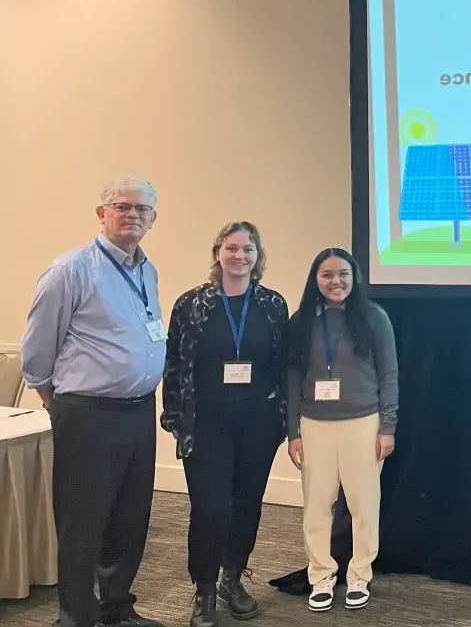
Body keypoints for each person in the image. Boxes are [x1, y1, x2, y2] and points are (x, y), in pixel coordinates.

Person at [20, 177, 166, 627]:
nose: (133, 215)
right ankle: (75, 617)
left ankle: (116, 609)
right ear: (101, 214)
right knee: (83, 524)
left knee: (129, 519)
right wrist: (56, 399)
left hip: (140, 410)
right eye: (122, 207)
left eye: (142, 210)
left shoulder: (147, 269)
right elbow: (38, 348)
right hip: (88, 414)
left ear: (153, 219)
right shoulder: (71, 269)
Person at [161, 222, 290, 627]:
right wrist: (175, 417)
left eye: (248, 249)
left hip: (258, 421)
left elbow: (283, 364)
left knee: (246, 504)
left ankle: (232, 578)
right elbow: (175, 364)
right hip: (206, 422)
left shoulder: (272, 304)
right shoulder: (192, 303)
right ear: (218, 252)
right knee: (210, 508)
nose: (240, 256)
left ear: (258, 255)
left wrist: (283, 417)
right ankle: (203, 589)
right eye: (232, 248)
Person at [285, 248, 398, 613]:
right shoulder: (301, 321)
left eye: (343, 274)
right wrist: (293, 432)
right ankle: (321, 574)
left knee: (364, 505)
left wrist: (387, 426)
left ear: (355, 277)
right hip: (314, 425)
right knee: (317, 505)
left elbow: (389, 375)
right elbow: (291, 378)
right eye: (327, 275)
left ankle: (360, 573)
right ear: (315, 280)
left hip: (363, 424)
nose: (336, 282)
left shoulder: (374, 318)